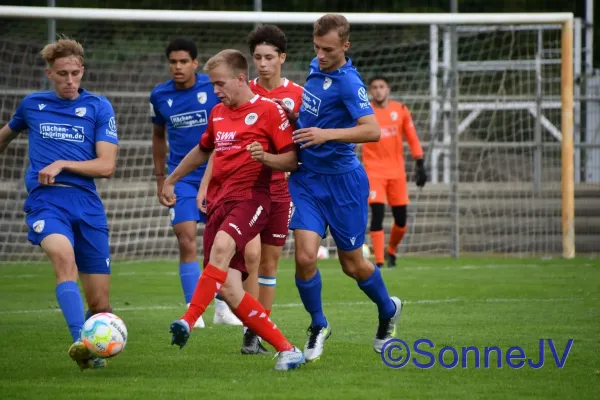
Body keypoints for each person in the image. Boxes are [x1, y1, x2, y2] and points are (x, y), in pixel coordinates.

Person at [162, 49, 304, 371]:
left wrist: (265, 158)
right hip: (219, 202)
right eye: (213, 85)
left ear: (240, 78)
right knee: (228, 288)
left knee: (224, 249)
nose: (215, 91)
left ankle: (188, 319)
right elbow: (202, 151)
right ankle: (287, 348)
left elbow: (293, 160)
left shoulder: (269, 111)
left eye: (219, 84)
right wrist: (170, 180)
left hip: (253, 197)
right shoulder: (218, 113)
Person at [285, 14, 402, 362]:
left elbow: (371, 130)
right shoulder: (314, 67)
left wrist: (326, 135)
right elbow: (315, 115)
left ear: (345, 46)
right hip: (307, 178)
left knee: (353, 265)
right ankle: (318, 325)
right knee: (305, 257)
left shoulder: (350, 83)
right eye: (317, 47)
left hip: (344, 184)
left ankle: (387, 310)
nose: (321, 54)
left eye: (329, 49)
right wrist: (296, 120)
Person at [0, 38, 118, 370]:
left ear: (83, 71)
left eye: (75, 74)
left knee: (100, 304)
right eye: (62, 74)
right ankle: (83, 347)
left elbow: (106, 165)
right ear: (49, 73)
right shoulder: (32, 105)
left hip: (87, 205)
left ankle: (95, 338)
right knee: (63, 258)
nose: (69, 81)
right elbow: (5, 136)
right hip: (46, 202)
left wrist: (62, 163)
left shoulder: (98, 107)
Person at [150, 38, 242, 328]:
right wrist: (161, 179)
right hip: (182, 177)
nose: (177, 67)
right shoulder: (159, 96)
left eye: (182, 61)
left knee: (219, 243)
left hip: (219, 174)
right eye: (172, 62)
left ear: (194, 63)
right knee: (186, 237)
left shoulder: (213, 88)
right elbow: (157, 138)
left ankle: (220, 306)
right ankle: (194, 309)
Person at [364, 76, 427, 268]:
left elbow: (412, 138)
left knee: (401, 220)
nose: (378, 90)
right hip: (373, 170)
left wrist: (420, 162)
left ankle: (391, 250)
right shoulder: (365, 112)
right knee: (377, 213)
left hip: (397, 172)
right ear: (370, 91)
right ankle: (380, 262)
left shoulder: (400, 110)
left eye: (382, 87)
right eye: (374, 87)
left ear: (388, 89)